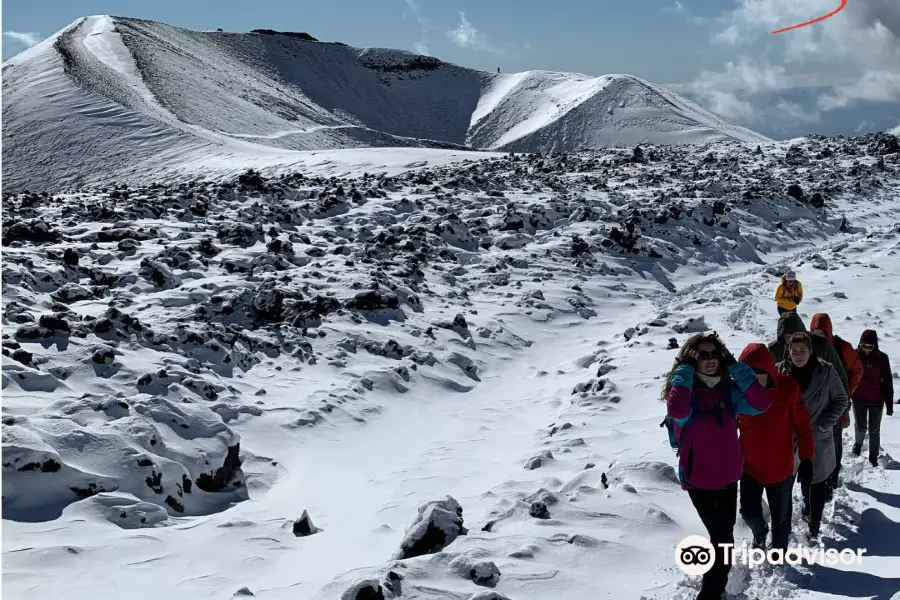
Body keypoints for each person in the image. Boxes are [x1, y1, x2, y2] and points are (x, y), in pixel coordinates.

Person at [663, 333, 771, 600]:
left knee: (723, 538)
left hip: (729, 477)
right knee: (722, 538)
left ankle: (714, 591)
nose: (710, 360)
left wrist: (735, 366)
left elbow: (761, 403)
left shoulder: (728, 391)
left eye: (715, 354)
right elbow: (676, 411)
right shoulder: (686, 393)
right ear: (691, 359)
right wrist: (683, 372)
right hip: (698, 479)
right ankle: (711, 593)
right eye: (703, 355)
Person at [736, 343, 814, 552]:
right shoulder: (737, 393)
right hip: (749, 465)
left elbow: (803, 425)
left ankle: (779, 553)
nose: (751, 378)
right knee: (748, 512)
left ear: (769, 371)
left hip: (780, 467)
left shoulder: (788, 388)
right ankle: (760, 532)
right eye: (746, 373)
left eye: (756, 372)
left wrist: (807, 459)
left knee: (781, 519)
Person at [777, 332, 849, 539]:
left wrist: (825, 424)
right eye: (794, 351)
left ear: (810, 351)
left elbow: (841, 399)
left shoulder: (826, 371)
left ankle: (814, 525)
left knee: (816, 482)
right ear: (788, 352)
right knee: (784, 484)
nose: (798, 355)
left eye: (803, 351)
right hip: (787, 439)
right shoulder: (780, 370)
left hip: (816, 435)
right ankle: (784, 527)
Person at [810, 313, 863, 494]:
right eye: (815, 332)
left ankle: (832, 478)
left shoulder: (842, 347)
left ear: (829, 332)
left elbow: (857, 370)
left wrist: (846, 394)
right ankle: (818, 479)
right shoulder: (807, 346)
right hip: (814, 404)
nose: (818, 335)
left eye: (822, 333)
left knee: (835, 441)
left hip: (835, 402)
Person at [768, 311, 849, 395]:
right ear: (782, 337)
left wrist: (844, 401)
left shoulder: (820, 344)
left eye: (796, 335)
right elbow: (770, 380)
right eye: (788, 337)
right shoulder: (774, 350)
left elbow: (839, 373)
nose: (793, 339)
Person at [852, 330, 894, 467]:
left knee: (874, 430)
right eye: (865, 346)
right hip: (858, 397)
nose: (868, 349)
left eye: (871, 347)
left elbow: (887, 380)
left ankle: (873, 455)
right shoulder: (854, 355)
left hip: (876, 399)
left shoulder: (882, 358)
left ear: (875, 346)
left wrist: (889, 405)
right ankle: (858, 444)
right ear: (860, 344)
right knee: (861, 428)